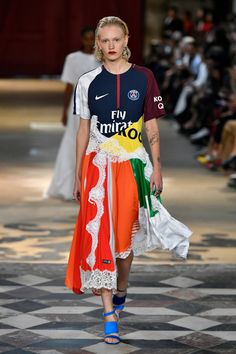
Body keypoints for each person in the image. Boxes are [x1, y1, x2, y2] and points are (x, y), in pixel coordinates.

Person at [65, 16, 192, 345]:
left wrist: (159, 168)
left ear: (126, 41)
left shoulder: (145, 77)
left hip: (131, 166)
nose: (110, 46)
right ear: (97, 43)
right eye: (104, 40)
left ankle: (121, 288)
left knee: (123, 240)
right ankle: (108, 313)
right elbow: (82, 130)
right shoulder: (87, 81)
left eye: (116, 40)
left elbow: (151, 126)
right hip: (98, 167)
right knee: (101, 237)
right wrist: (79, 174)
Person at [45, 27, 99, 200]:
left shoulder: (103, 58)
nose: (89, 42)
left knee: (96, 143)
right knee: (73, 142)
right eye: (87, 38)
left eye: (92, 38)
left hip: (98, 104)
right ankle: (70, 184)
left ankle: (93, 185)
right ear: (82, 39)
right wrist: (64, 111)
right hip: (78, 106)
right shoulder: (72, 58)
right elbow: (69, 86)